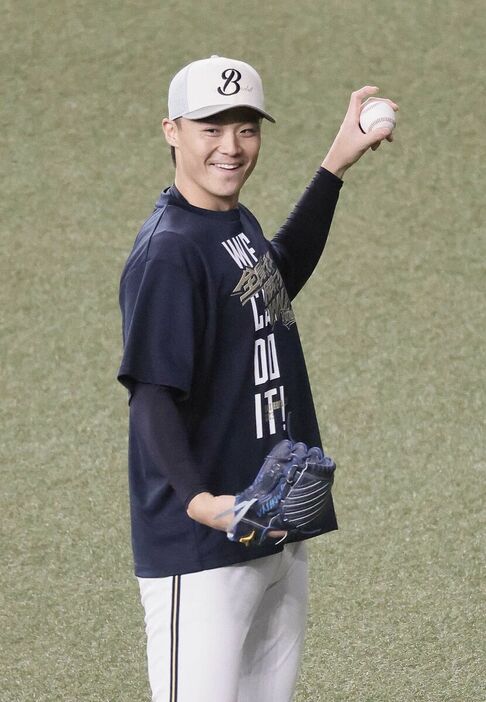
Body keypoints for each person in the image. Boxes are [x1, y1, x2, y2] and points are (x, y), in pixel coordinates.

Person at [117, 55, 397, 702]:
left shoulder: (230, 222)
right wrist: (202, 503)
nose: (232, 147)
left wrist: (335, 164)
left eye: (246, 128)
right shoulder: (169, 252)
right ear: (172, 131)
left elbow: (274, 279)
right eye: (211, 129)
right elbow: (152, 394)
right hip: (204, 550)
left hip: (271, 525)